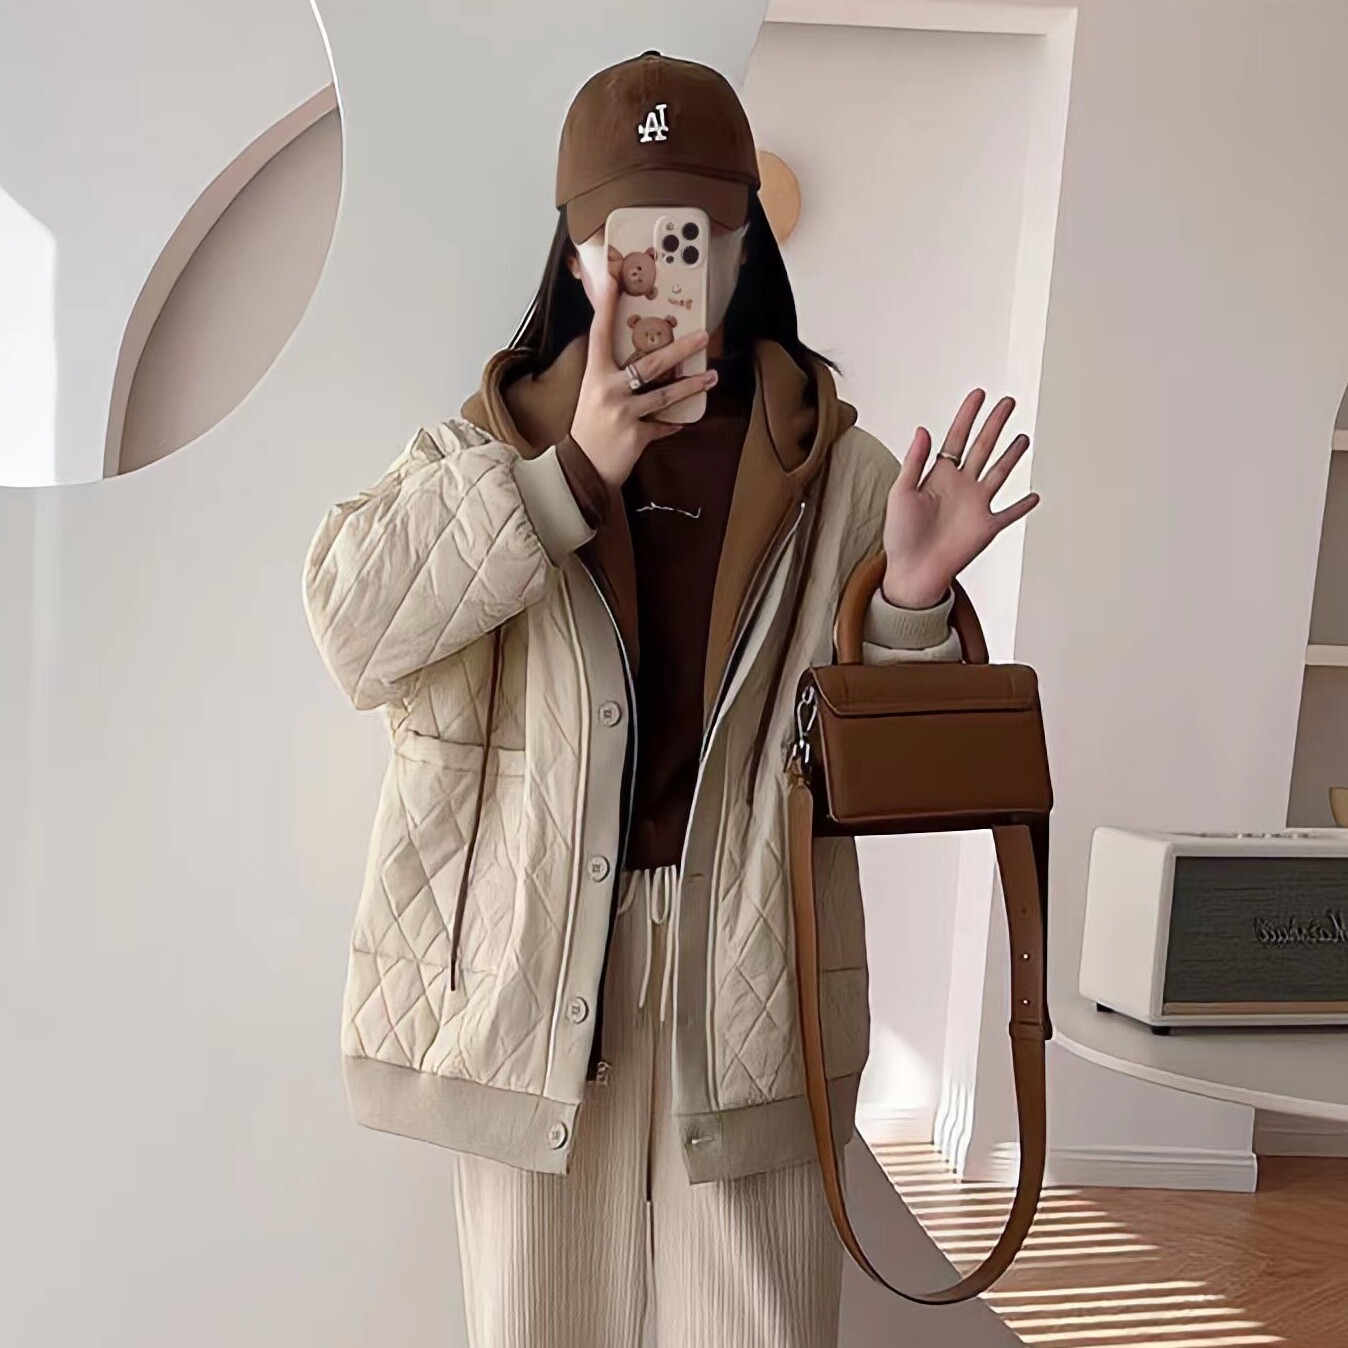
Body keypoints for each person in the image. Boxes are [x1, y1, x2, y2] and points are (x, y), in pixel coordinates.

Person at [302, 49, 1040, 1348]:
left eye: (692, 236)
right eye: (627, 241)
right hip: (532, 986)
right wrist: (567, 477)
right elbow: (353, 627)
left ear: (746, 241)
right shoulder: (490, 445)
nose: (659, 272)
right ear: (576, 253)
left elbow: (877, 773)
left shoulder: (838, 472)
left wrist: (914, 600)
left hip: (755, 977)